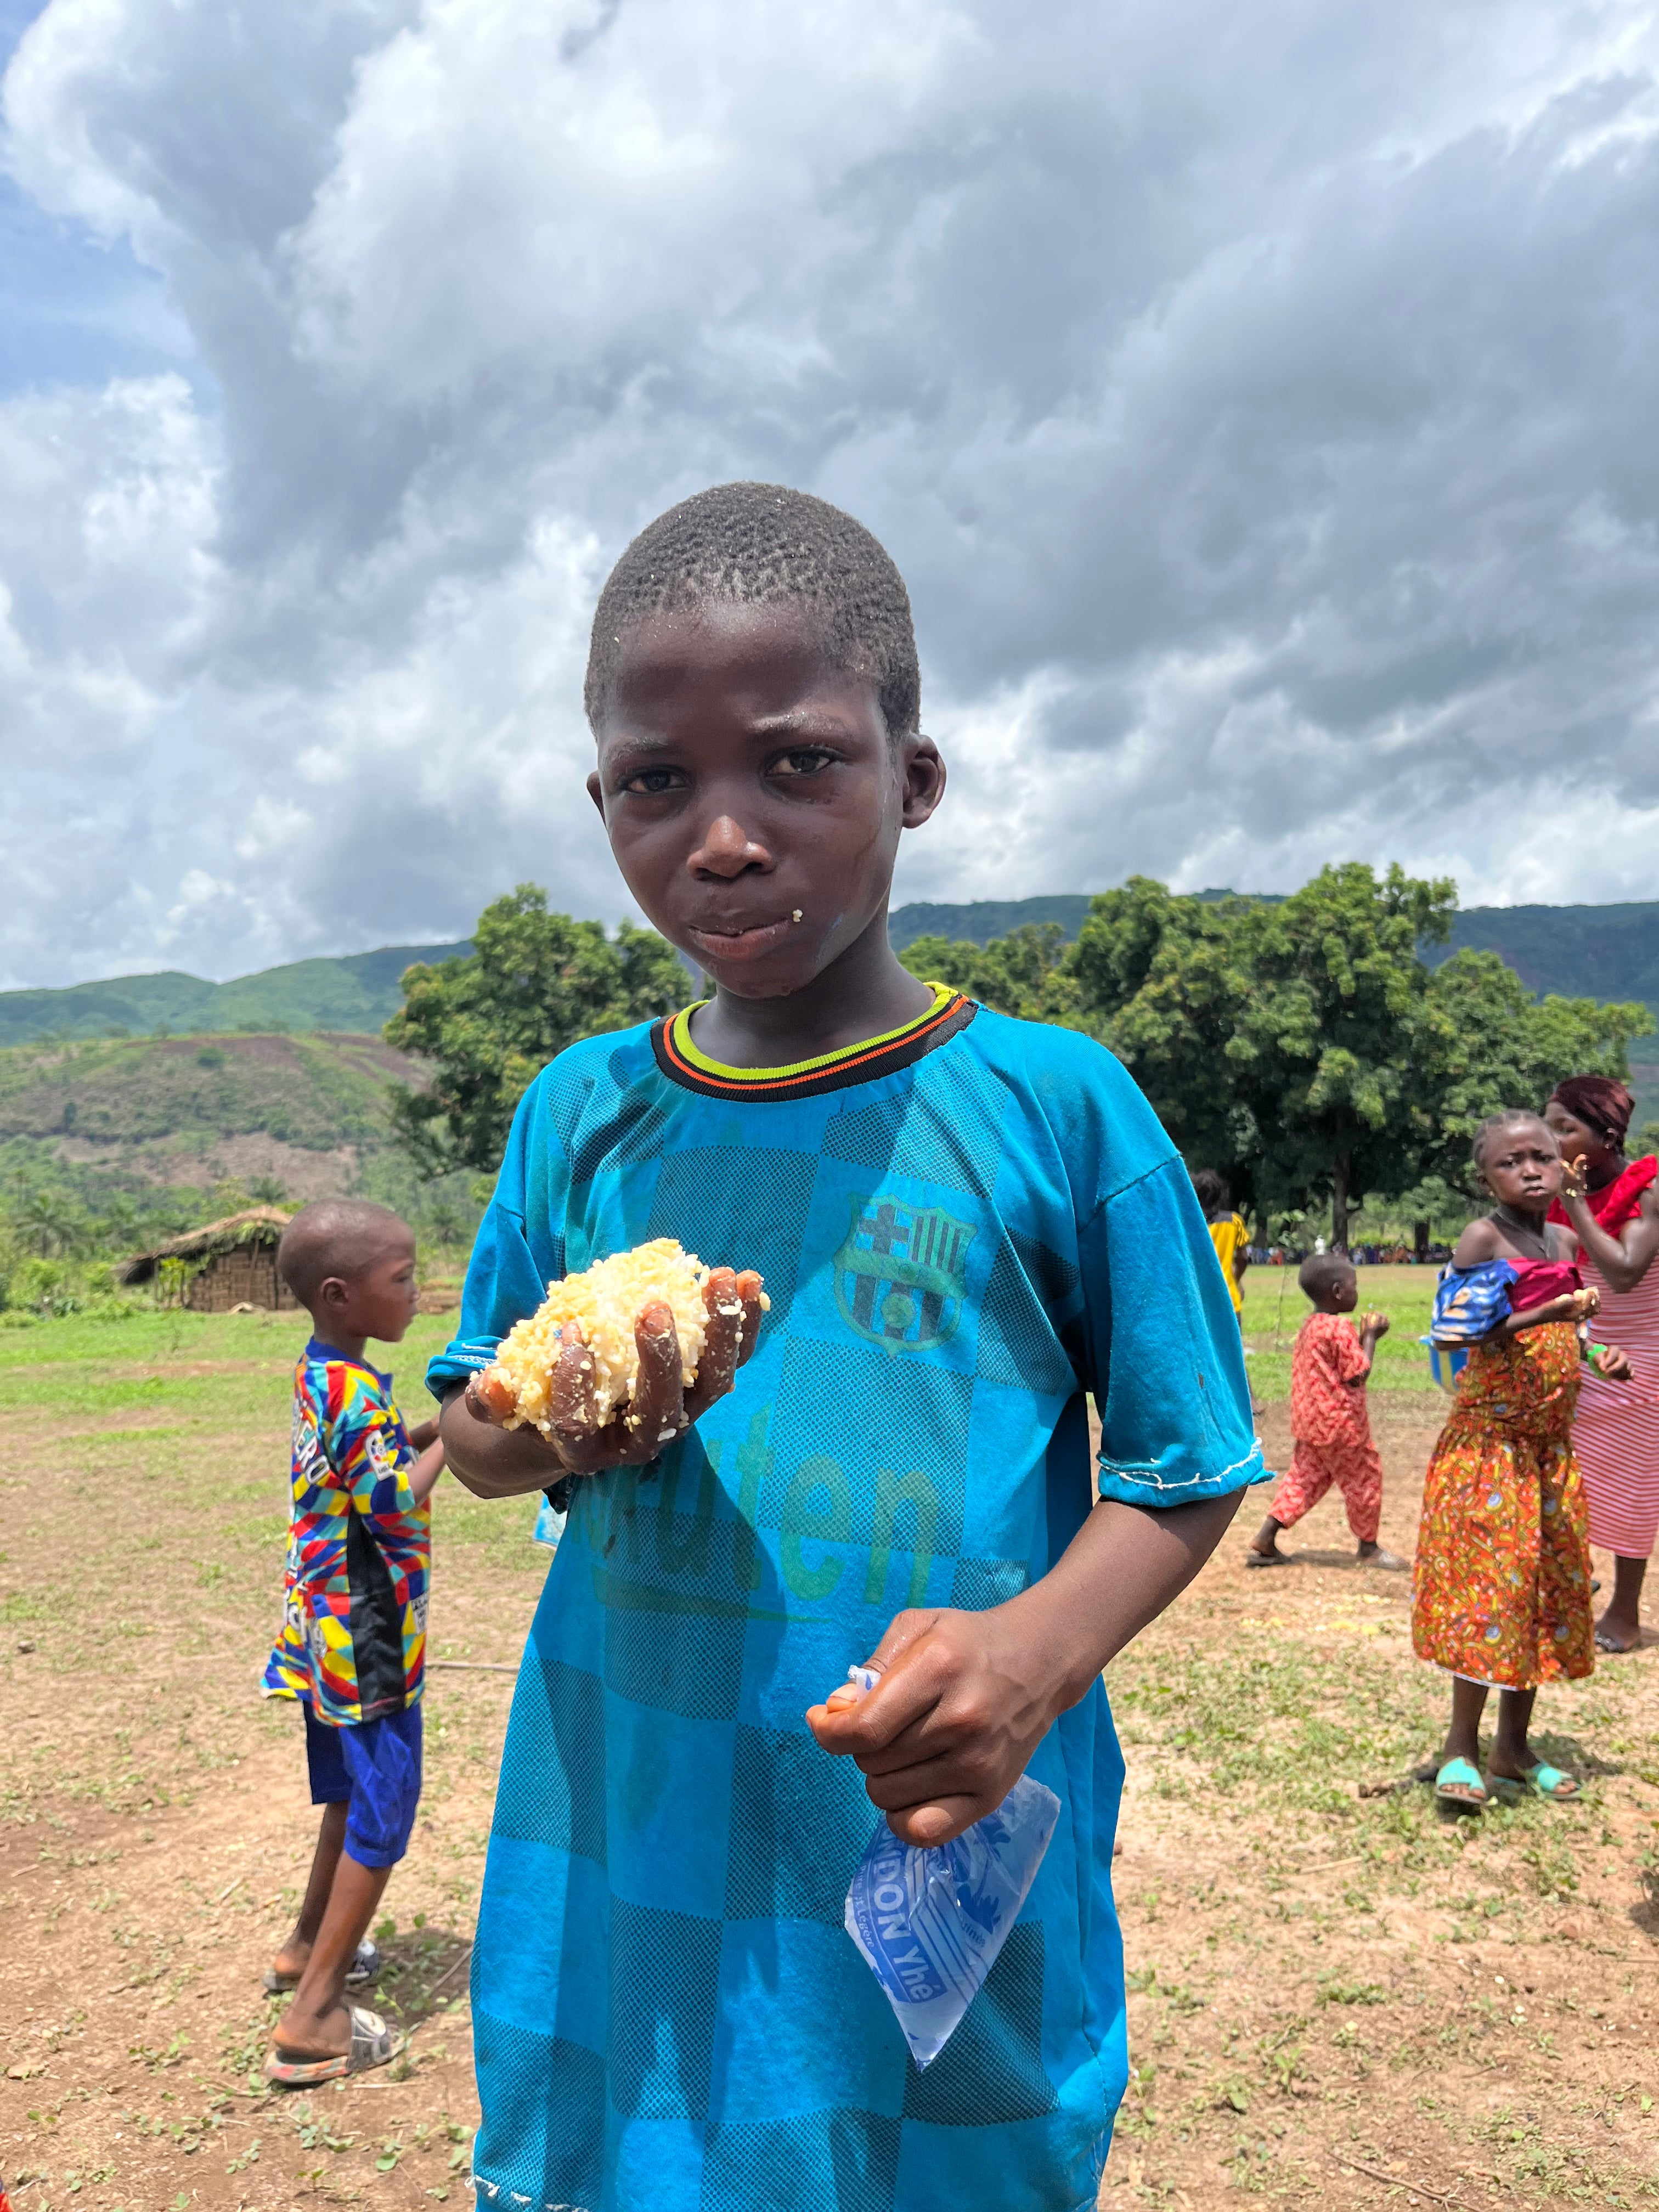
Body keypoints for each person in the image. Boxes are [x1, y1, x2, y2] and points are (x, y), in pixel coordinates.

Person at [429, 482, 1266, 2211]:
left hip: (927, 1849)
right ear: (603, 803)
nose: (722, 836)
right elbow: (480, 1429)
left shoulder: (1056, 1108)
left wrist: (1035, 1656)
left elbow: (1187, 1472)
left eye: (798, 762)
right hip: (631, 1825)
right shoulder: (582, 1114)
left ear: (918, 779)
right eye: (657, 781)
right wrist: (568, 1416)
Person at [261, 1200, 446, 2086]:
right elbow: (395, 1500)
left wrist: (441, 1422)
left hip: (321, 1621)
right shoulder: (356, 1387)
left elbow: (365, 1458)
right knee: (383, 1803)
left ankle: (305, 1948)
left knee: (345, 1790)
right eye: (403, 1280)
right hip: (366, 1627)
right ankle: (314, 2017)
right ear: (340, 1295)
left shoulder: (323, 1373)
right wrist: (460, 1438)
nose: (418, 1293)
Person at [1413, 1111, 1629, 1810]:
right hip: (1491, 1454)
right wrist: (1549, 1317)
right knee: (1487, 1601)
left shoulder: (1564, 1236)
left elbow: (1580, 1320)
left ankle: (1513, 1748)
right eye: (1513, 1162)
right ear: (1487, 1176)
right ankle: (1460, 1748)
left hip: (1548, 1456)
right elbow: (1455, 1330)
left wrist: (1597, 1351)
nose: (1532, 1169)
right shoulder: (1484, 1237)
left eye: (1543, 1156)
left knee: (1537, 1600)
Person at [1544, 1075, 1659, 1654]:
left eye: (1567, 1128)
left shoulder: (1650, 1189)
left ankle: (1625, 1613)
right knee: (1568, 1478)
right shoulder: (1560, 1198)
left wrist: (1572, 1203)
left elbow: (1621, 1272)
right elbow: (1560, 1272)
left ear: (1608, 1135)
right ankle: (1572, 1581)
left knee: (1634, 1488)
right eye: (1551, 1127)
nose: (1554, 1139)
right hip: (1584, 1353)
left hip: (1644, 1364)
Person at [1245, 1251, 1404, 1569]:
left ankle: (1267, 1535)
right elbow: (1358, 1374)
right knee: (1364, 1478)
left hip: (1311, 1423)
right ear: (1337, 1292)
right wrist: (1371, 1337)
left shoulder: (1312, 1326)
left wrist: (1362, 1340)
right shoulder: (1339, 1328)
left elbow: (1337, 1367)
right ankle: (1369, 1547)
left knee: (1304, 1480)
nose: (1357, 1293)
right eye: (1353, 1286)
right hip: (1342, 1425)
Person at [1192, 1167, 1248, 1319]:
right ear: (1219, 1194)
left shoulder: (1188, 1225)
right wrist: (1236, 1280)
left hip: (1197, 1300)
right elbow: (1243, 1258)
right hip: (1228, 1298)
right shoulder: (1234, 1222)